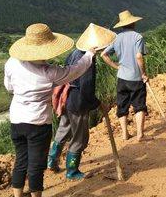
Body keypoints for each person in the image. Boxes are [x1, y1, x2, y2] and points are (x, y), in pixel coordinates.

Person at [4, 23, 96, 197]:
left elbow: (9, 87)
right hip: (37, 123)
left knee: (21, 160)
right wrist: (89, 55)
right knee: (36, 164)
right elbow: (76, 70)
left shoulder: (12, 62)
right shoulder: (49, 73)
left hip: (17, 120)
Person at [48, 25, 116, 179]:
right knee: (79, 137)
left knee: (63, 129)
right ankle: (72, 171)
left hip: (67, 99)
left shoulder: (74, 54)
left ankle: (51, 162)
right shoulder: (87, 60)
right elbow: (86, 88)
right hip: (78, 102)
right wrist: (98, 103)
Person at [101, 10, 150, 142]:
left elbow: (103, 54)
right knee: (139, 105)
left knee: (122, 106)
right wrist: (144, 73)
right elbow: (139, 56)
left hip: (122, 77)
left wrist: (116, 66)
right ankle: (140, 134)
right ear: (133, 23)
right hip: (136, 78)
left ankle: (125, 134)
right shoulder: (137, 37)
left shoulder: (117, 38)